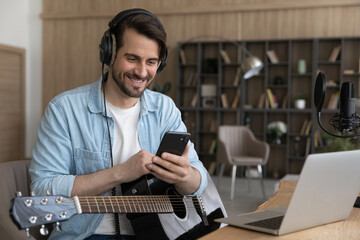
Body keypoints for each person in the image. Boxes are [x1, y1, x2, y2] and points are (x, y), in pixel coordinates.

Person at [29, 8, 208, 240]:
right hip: (87, 235)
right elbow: (43, 188)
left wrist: (185, 176)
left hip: (158, 231)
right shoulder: (64, 110)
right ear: (109, 53)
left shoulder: (165, 109)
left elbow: (199, 179)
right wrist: (120, 173)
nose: (142, 72)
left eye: (151, 62)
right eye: (132, 59)